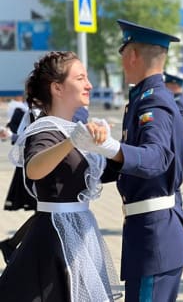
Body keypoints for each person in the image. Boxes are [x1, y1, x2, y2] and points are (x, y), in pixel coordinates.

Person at [70, 19, 183, 302]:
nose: (122, 61)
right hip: (150, 229)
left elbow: (155, 159)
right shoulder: (144, 98)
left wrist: (109, 146)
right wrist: (91, 163)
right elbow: (130, 161)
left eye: (122, 53)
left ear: (132, 54)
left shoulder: (153, 102)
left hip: (154, 233)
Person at [0, 51, 120, 301]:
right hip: (53, 236)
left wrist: (114, 144)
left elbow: (99, 173)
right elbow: (34, 168)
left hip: (76, 229)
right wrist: (71, 141)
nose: (89, 85)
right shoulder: (45, 128)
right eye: (80, 78)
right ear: (57, 87)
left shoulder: (71, 127)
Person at [0, 106, 89, 264]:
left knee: (45, 215)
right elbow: (28, 139)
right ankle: (21, 249)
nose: (87, 85)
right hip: (46, 172)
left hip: (64, 174)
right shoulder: (41, 112)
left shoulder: (76, 110)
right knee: (46, 214)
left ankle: (15, 245)